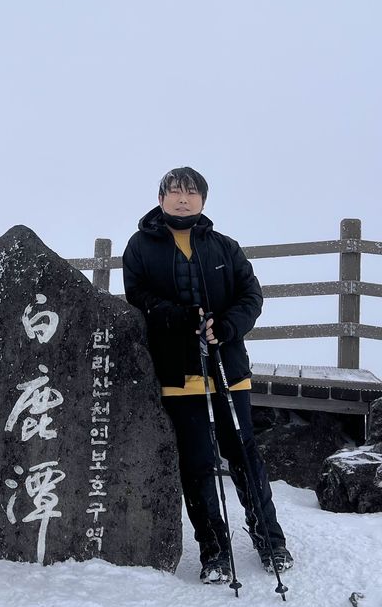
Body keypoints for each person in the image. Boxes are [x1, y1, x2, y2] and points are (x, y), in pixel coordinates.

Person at [123, 166, 293, 584]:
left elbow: (251, 296)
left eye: (191, 192)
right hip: (177, 371)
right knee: (197, 461)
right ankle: (213, 552)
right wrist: (178, 317)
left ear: (203, 200)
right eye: (175, 192)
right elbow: (137, 296)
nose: (183, 199)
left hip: (227, 367)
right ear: (160, 198)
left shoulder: (224, 247)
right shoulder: (140, 246)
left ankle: (270, 542)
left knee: (245, 454)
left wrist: (228, 326)